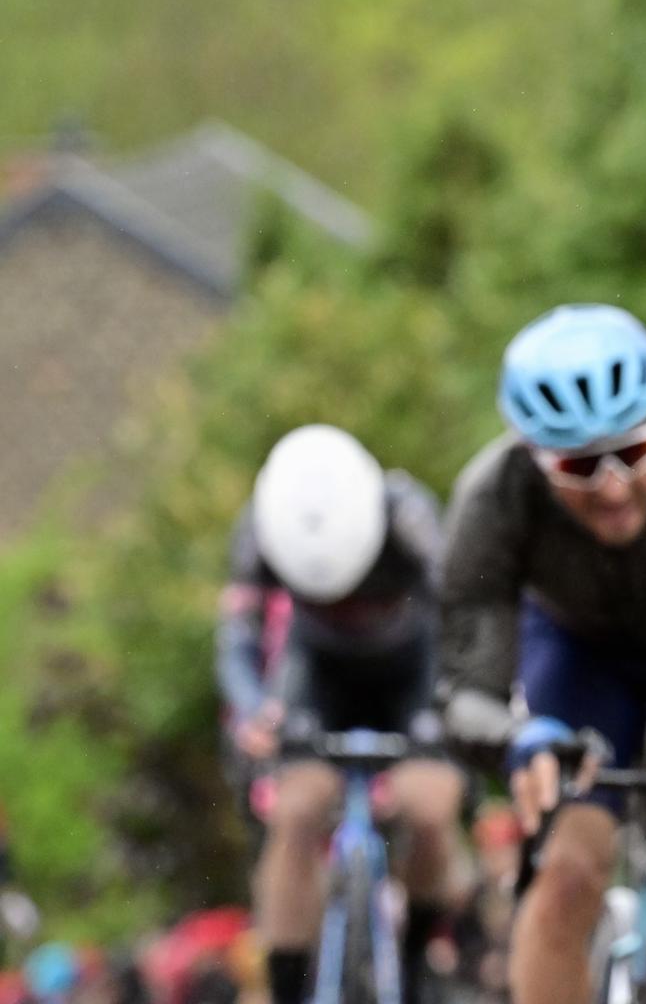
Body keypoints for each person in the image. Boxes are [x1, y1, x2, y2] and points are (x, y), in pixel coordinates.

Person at [437, 304, 646, 1004]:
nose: (612, 487)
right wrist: (516, 738)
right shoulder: (492, 500)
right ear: (536, 460)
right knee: (568, 871)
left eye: (633, 452)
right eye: (578, 465)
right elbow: (465, 693)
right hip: (580, 662)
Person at [216, 425, 467, 1004]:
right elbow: (237, 640)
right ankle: (286, 977)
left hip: (412, 677)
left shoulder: (410, 517)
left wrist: (456, 705)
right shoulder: (257, 529)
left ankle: (417, 957)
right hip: (316, 678)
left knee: (431, 809)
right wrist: (253, 710)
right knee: (294, 813)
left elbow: (462, 615)